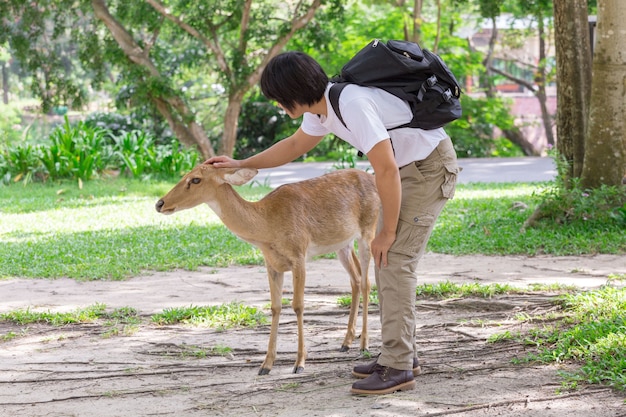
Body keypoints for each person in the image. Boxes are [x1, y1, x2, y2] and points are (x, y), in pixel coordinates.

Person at [206, 51, 460, 395]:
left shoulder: (351, 103)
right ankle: (399, 353)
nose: (279, 107)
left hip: (427, 171)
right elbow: (295, 145)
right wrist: (239, 162)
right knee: (387, 263)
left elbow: (383, 168)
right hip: (404, 173)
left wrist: (385, 233)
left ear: (293, 91)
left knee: (395, 260)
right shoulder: (323, 111)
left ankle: (398, 367)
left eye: (280, 99)